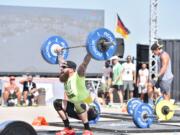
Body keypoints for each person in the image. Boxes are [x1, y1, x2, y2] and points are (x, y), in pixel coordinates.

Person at [53, 47, 99, 135]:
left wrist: (91, 51)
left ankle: (87, 129)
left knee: (78, 103)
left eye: (64, 67)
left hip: (90, 110)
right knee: (57, 103)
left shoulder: (78, 75)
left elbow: (85, 63)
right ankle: (68, 128)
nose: (61, 68)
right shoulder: (65, 77)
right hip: (77, 110)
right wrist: (59, 53)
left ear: (71, 69)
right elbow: (61, 62)